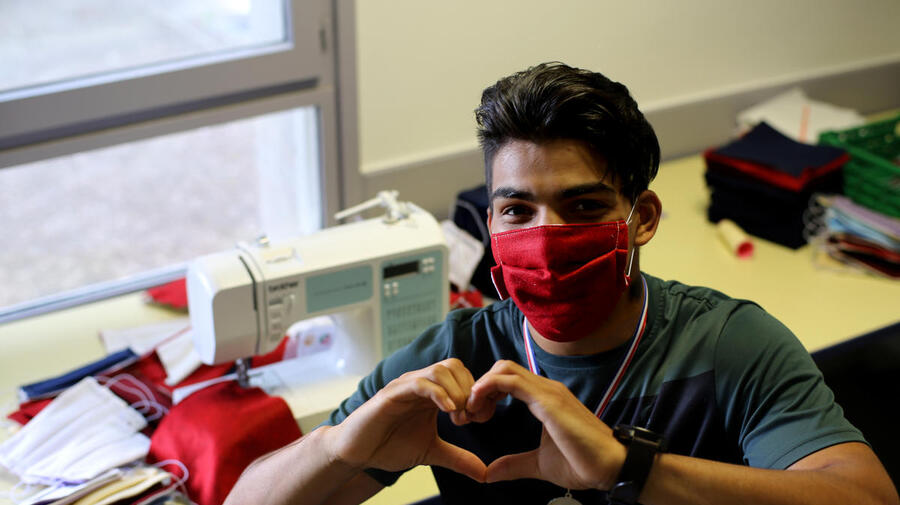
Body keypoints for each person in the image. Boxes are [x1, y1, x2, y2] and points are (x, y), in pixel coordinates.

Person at [225, 62, 899, 505]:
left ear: (642, 218)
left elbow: (866, 496)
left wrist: (630, 468)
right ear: (490, 222)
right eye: (517, 210)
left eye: (583, 206)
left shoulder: (727, 344)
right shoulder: (454, 360)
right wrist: (338, 447)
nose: (546, 238)